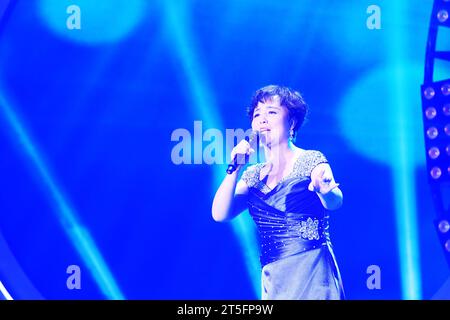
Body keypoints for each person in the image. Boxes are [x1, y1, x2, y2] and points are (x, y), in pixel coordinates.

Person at [211, 85, 345, 300]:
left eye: (271, 112)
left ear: (291, 122)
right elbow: (220, 214)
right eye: (257, 114)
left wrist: (325, 191)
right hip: (275, 279)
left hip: (312, 270)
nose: (262, 119)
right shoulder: (252, 175)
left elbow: (335, 201)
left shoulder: (310, 159)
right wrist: (234, 169)